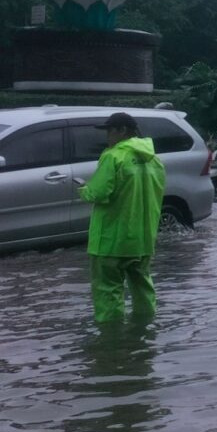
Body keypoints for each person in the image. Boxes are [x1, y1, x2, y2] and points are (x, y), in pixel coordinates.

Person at [79, 113, 166, 324]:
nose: (107, 136)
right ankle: (144, 332)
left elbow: (98, 193)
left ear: (122, 131)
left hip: (111, 240)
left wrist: (84, 189)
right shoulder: (154, 160)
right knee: (143, 288)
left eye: (110, 131)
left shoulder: (113, 156)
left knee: (108, 292)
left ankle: (112, 343)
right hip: (142, 239)